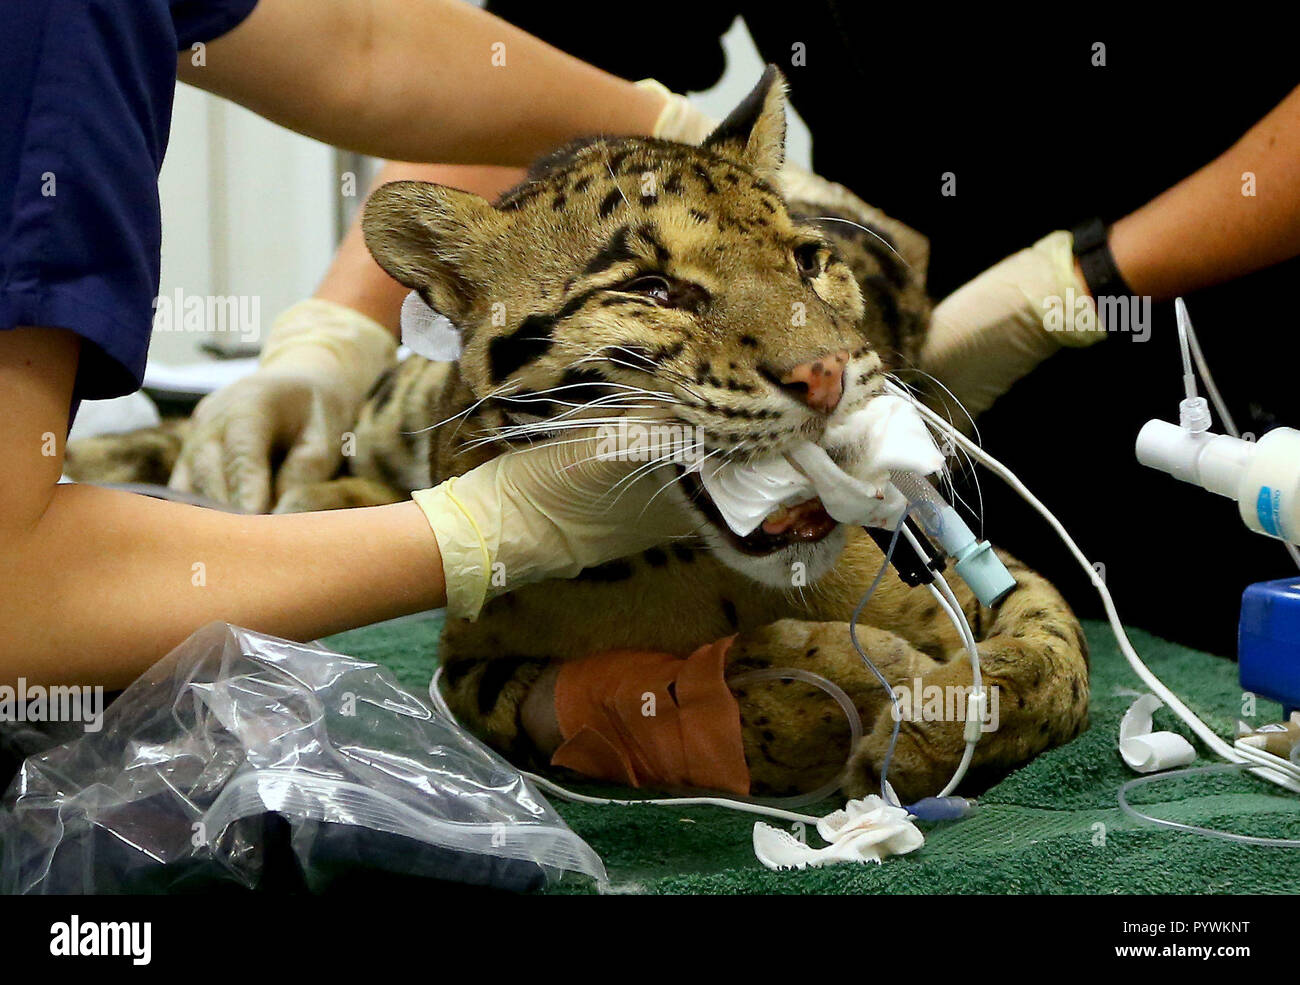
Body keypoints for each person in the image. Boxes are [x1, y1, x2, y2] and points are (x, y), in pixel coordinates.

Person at [418, 6, 1298, 656]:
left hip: (1242, 341)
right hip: (963, 394)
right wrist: (338, 322)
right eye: (656, 288)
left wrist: (1079, 282)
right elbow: (484, 47)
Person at [0, 0, 733, 687]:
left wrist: (329, 339)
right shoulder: (47, 33)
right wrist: (488, 530)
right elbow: (16, 591)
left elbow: (360, 53)